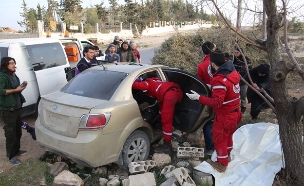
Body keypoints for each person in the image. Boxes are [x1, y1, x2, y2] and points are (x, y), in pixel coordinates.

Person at [186, 50, 242, 173]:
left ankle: (222, 163)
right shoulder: (232, 73)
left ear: (212, 64)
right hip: (235, 113)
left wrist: (199, 98)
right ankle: (227, 155)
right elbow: (227, 91)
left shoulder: (219, 79)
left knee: (219, 138)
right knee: (228, 135)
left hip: (225, 115)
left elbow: (217, 102)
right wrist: (211, 87)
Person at [132, 76, 183, 154]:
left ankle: (167, 145)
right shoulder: (155, 80)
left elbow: (134, 85)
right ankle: (160, 126)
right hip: (176, 92)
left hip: (169, 96)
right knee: (162, 112)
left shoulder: (147, 84)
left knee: (166, 120)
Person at [0, 57, 28, 165]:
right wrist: (15, 90)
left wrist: (22, 86)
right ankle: (11, 156)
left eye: (14, 63)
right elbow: (1, 90)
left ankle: (16, 150)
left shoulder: (13, 74)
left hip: (16, 107)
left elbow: (16, 88)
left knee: (18, 131)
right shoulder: (2, 76)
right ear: (5, 65)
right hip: (8, 109)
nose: (13, 65)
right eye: (11, 63)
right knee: (10, 133)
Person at [197, 41, 216, 156]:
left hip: (208, 97)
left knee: (207, 122)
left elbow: (199, 83)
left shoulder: (201, 66)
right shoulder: (221, 62)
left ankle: (209, 148)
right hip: (222, 95)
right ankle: (223, 146)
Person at [233, 47, 252, 114]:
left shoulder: (247, 60)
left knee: (243, 95)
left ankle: (243, 108)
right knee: (235, 95)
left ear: (241, 52)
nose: (236, 54)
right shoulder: (233, 60)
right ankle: (236, 108)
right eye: (235, 52)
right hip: (234, 80)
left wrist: (243, 80)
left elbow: (249, 71)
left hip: (244, 80)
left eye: (237, 52)